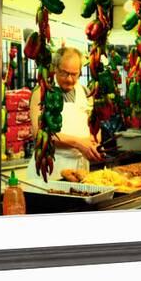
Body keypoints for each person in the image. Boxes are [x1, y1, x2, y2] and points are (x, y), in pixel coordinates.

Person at [27, 47, 103, 181]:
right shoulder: (41, 92)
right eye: (64, 73)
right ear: (55, 68)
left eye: (74, 74)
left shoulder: (86, 92)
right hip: (51, 166)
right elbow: (38, 133)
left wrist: (94, 143)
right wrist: (78, 143)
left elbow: (95, 127)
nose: (69, 79)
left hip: (80, 168)